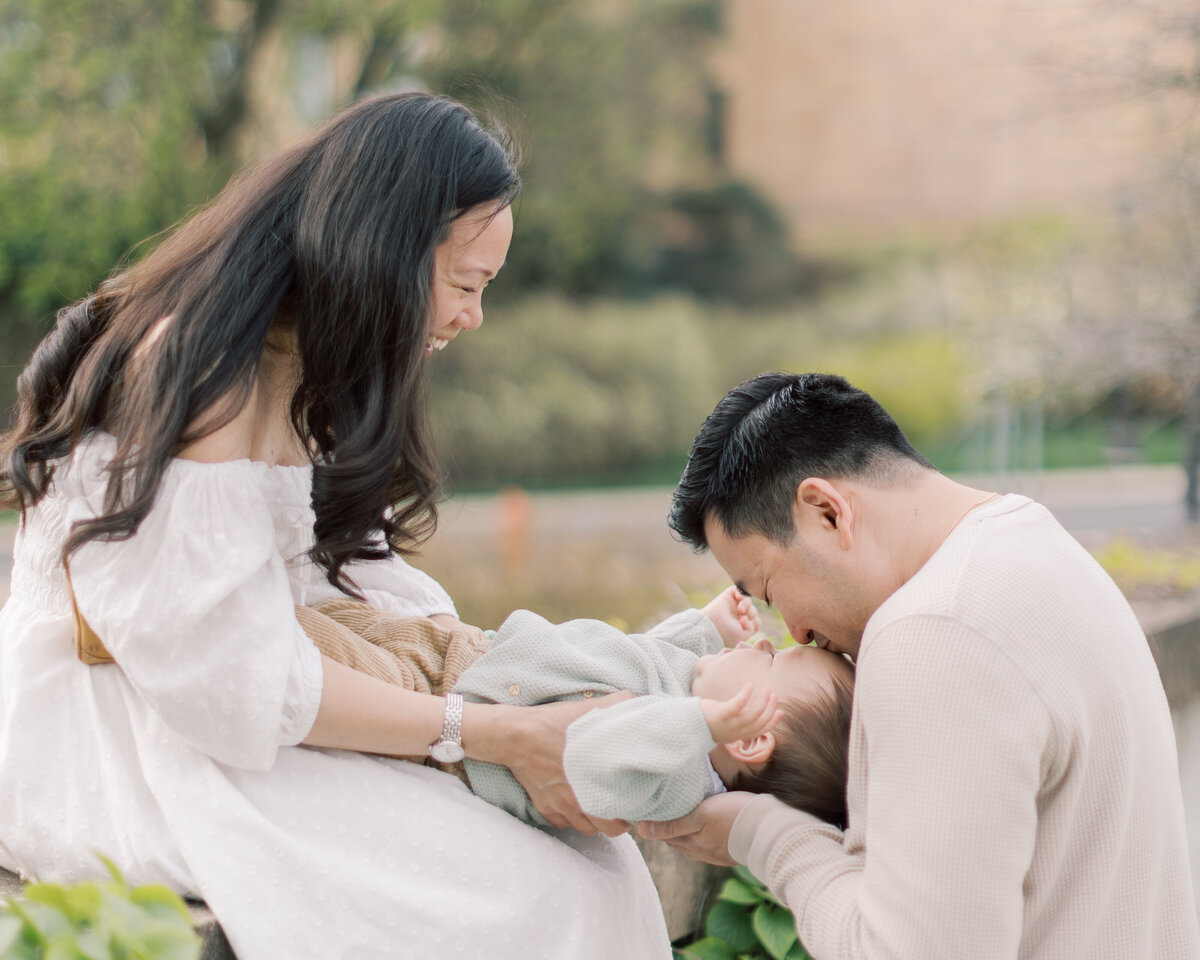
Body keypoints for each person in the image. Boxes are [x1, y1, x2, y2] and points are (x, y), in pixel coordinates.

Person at [0, 92, 667, 959]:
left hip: (249, 698)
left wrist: (493, 682)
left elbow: (351, 589)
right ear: (384, 251)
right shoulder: (204, 364)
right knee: (535, 890)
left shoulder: (308, 364)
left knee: (588, 863)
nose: (472, 317)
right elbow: (220, 669)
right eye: (467, 284)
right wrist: (478, 730)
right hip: (132, 729)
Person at [640, 372, 1200, 959]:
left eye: (770, 591)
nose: (797, 633)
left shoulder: (935, 633)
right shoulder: (1035, 546)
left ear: (826, 511)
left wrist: (761, 832)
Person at [288, 585, 855, 828]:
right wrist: (707, 626)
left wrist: (699, 721)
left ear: (748, 738)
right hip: (463, 654)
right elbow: (650, 658)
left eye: (774, 662)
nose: (763, 643)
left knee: (293, 643)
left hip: (431, 705)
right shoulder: (685, 694)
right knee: (313, 606)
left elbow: (598, 744)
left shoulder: (672, 774)